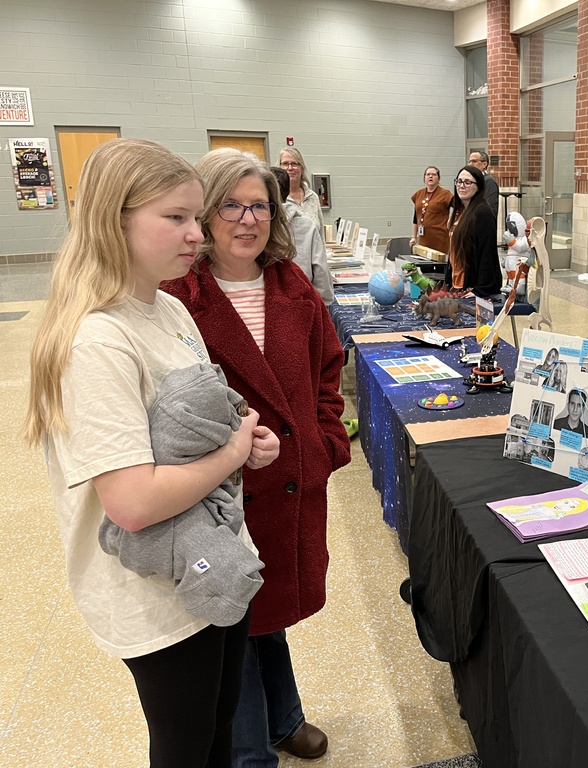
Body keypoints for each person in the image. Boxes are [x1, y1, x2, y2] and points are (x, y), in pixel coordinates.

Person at [23, 138, 280, 767]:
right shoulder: (98, 340)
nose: (198, 234)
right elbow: (133, 503)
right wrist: (232, 453)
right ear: (117, 220)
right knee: (187, 742)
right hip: (155, 585)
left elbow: (202, 406)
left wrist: (244, 431)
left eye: (196, 217)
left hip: (214, 556)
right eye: (176, 218)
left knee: (219, 723)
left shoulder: (167, 308)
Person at [163, 148, 351, 766]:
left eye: (260, 206)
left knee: (261, 610)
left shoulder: (291, 285)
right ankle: (249, 755)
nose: (248, 220)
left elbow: (328, 376)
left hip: (291, 488)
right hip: (217, 500)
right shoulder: (175, 297)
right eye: (231, 206)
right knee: (231, 621)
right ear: (205, 215)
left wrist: (321, 447)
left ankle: (284, 718)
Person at [270, 166, 337, 307]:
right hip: (303, 303)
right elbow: (321, 276)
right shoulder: (307, 226)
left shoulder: (253, 225)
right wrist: (323, 306)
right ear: (288, 192)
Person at [446, 165, 503, 296]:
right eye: (459, 181)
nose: (461, 186)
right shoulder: (460, 210)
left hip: (475, 285)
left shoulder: (482, 212)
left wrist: (480, 289)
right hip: (458, 281)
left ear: (478, 187)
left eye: (468, 182)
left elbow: (487, 252)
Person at [278, 147, 324, 231]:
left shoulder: (313, 197)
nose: (290, 168)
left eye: (294, 163)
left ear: (302, 169)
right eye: (285, 164)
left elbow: (320, 234)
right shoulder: (276, 198)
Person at [410, 166, 454, 254]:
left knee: (439, 264)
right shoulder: (419, 194)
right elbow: (416, 217)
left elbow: (459, 207)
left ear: (438, 178)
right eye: (428, 174)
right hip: (424, 238)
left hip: (440, 238)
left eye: (434, 174)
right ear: (424, 178)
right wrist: (414, 236)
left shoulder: (445, 194)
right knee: (425, 265)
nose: (430, 176)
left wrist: (452, 219)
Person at [468, 149, 499, 216]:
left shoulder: (489, 181)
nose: (470, 164)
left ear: (484, 164)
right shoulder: (472, 181)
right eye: (469, 161)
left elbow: (491, 208)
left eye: (474, 161)